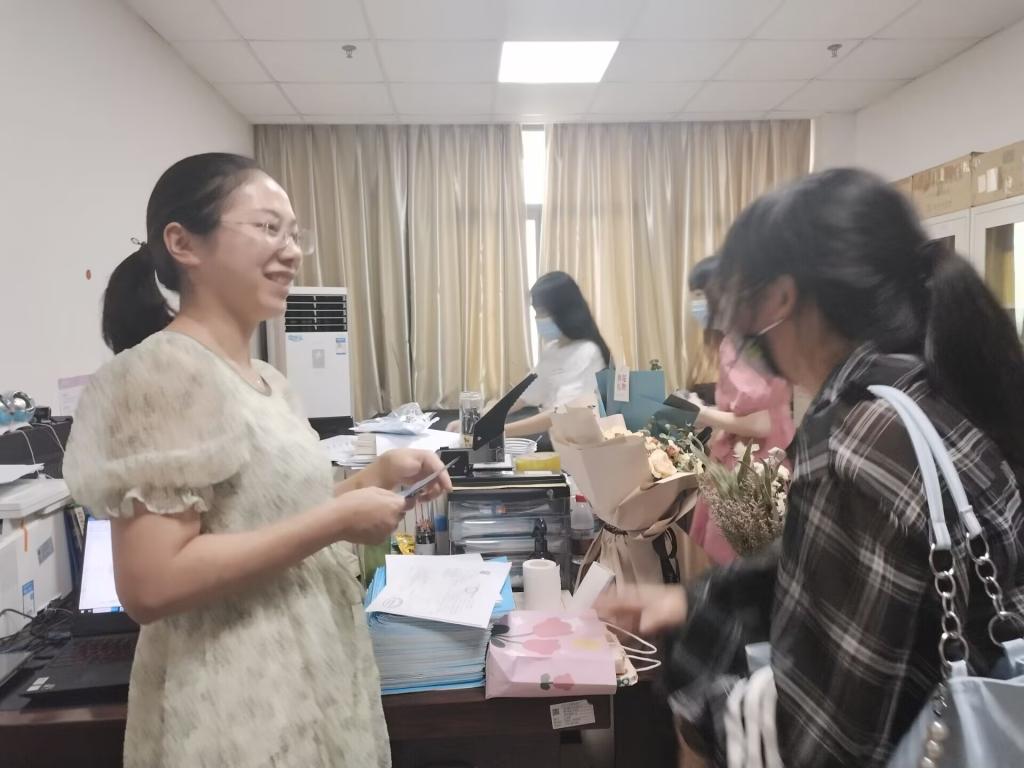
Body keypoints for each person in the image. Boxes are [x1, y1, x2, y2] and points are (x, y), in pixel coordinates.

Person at [600, 168, 1024, 767]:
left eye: (738, 299)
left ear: (780, 298)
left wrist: (696, 715)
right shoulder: (937, 391)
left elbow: (824, 739)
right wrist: (694, 604)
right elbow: (840, 577)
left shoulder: (857, 442)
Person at [63, 153, 451, 768]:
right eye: (269, 228)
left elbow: (264, 519)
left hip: (315, 674)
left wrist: (371, 480)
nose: (290, 251)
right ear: (183, 243)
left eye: (294, 234)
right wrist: (337, 520)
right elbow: (152, 583)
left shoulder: (268, 381)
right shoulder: (160, 372)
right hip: (234, 701)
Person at [686, 256, 795, 564]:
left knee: (733, 563)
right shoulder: (759, 338)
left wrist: (700, 413)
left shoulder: (735, 345)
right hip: (773, 460)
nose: (695, 305)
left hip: (750, 468)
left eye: (700, 295)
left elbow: (758, 423)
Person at [448, 271, 611, 439]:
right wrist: (477, 419)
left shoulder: (587, 352)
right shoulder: (553, 350)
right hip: (563, 441)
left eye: (542, 312)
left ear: (563, 311)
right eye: (536, 312)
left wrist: (495, 429)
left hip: (586, 445)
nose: (537, 318)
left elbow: (562, 412)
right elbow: (523, 396)